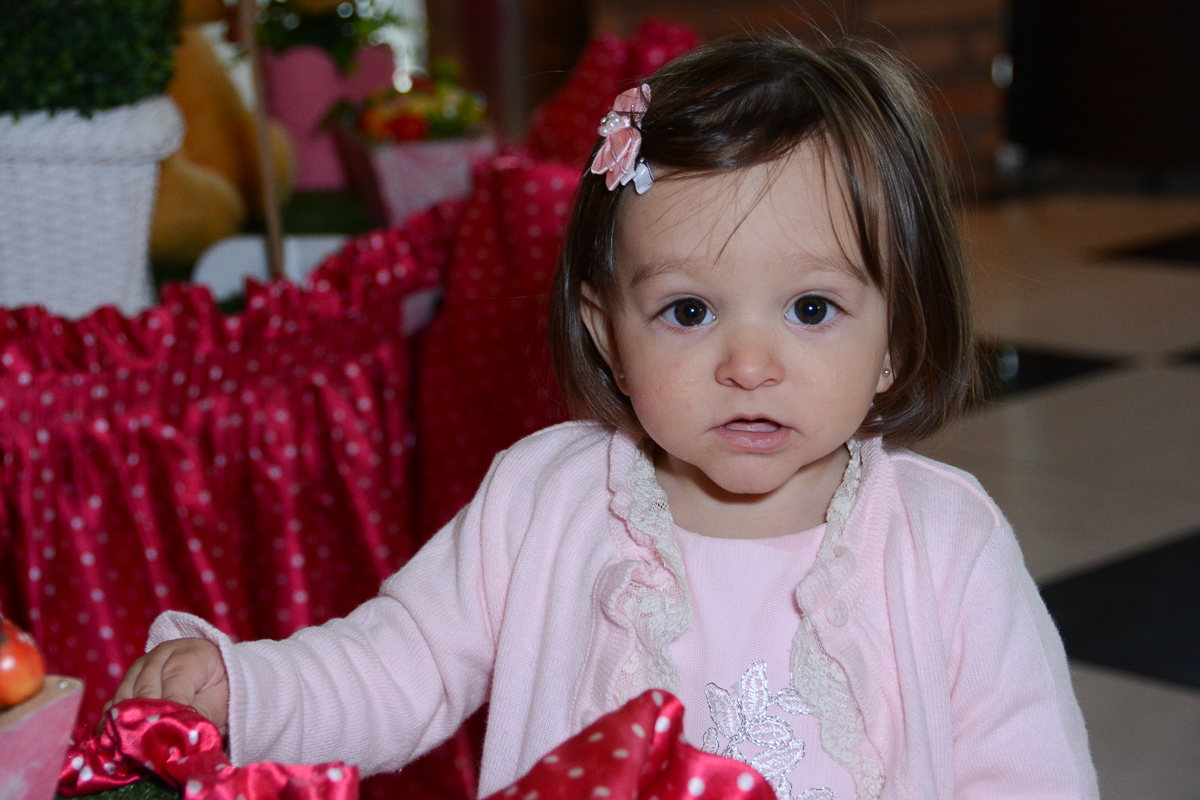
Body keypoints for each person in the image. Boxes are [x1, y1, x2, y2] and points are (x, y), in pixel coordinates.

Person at [109, 32, 1098, 800]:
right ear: (609, 330)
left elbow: (1029, 771)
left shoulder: (945, 539)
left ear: (892, 338)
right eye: (688, 311)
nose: (748, 364)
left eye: (810, 308)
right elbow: (399, 662)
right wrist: (251, 691)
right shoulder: (547, 500)